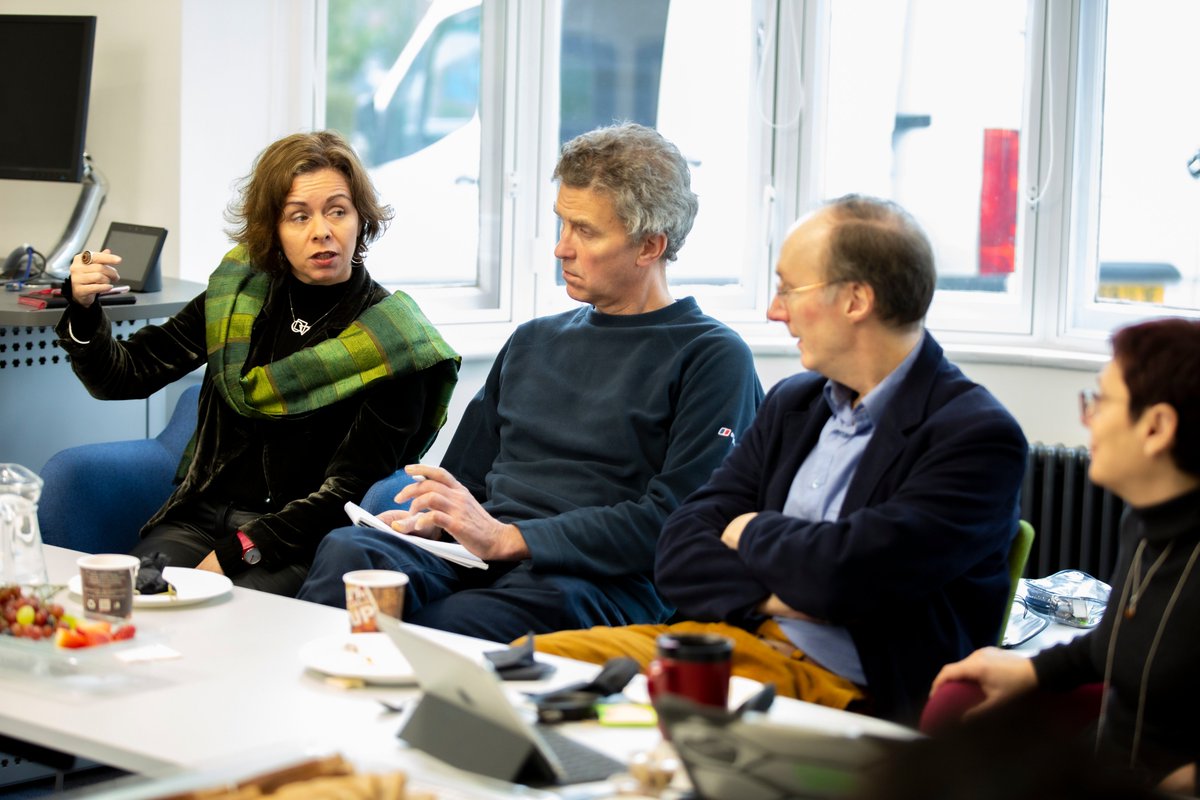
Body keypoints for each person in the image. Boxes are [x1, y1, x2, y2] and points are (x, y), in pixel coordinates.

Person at [533, 194, 1028, 724]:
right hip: (724, 649)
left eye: (790, 288)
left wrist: (748, 532)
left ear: (856, 300)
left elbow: (846, 576)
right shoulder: (796, 403)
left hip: (849, 694)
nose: (775, 309)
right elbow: (678, 551)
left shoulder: (976, 436)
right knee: (525, 666)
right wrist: (788, 594)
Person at [296, 122, 763, 642]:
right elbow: (464, 480)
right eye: (562, 223)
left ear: (649, 246)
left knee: (446, 629)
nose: (561, 248)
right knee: (349, 554)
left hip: (592, 581)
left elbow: (676, 522)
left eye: (585, 231)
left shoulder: (712, 357)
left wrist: (510, 538)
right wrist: (435, 519)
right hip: (481, 555)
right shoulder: (533, 341)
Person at [56, 130, 460, 597]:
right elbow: (123, 376)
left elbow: (350, 488)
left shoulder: (394, 339)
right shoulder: (238, 299)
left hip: (300, 540)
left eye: (337, 211)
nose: (321, 231)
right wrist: (84, 309)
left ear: (360, 220)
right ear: (273, 228)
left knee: (228, 625)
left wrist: (236, 552)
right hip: (197, 518)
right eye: (298, 216)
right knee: (127, 606)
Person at [931, 317, 1200, 790]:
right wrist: (1032, 671)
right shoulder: (1143, 520)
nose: (1087, 418)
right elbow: (1112, 644)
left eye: (1101, 401)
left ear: (1157, 426)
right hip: (1104, 762)